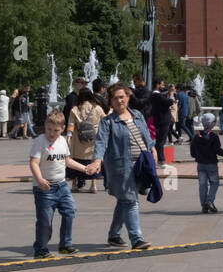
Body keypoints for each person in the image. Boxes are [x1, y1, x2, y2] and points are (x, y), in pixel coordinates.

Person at [87, 82, 157, 250]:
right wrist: (97, 161)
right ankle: (137, 239)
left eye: (122, 97)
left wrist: (152, 148)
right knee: (131, 201)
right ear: (110, 101)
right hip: (120, 168)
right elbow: (101, 142)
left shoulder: (137, 115)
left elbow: (145, 135)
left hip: (140, 165)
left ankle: (114, 235)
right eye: (115, 98)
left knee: (124, 200)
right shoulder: (107, 122)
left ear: (128, 97)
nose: (119, 101)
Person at [29, 110, 92, 258]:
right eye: (49, 129)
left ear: (62, 128)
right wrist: (39, 180)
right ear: (45, 126)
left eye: (56, 130)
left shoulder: (62, 141)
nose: (51, 133)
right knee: (45, 221)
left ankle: (65, 244)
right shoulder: (39, 142)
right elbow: (34, 163)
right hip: (44, 188)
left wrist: (84, 168)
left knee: (70, 211)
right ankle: (41, 249)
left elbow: (67, 161)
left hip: (62, 186)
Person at [67, 88, 105, 193]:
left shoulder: (75, 109)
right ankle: (93, 185)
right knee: (93, 159)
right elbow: (105, 120)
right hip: (94, 137)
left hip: (78, 138)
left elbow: (71, 124)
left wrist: (69, 137)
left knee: (76, 159)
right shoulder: (97, 108)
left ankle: (74, 184)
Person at [191, 112, 223, 213]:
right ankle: (209, 201)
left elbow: (192, 152)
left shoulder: (196, 136)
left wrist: (197, 156)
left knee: (202, 185)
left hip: (200, 164)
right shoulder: (214, 137)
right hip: (211, 164)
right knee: (215, 183)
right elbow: (217, 150)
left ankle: (204, 205)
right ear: (212, 124)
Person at [150, 80, 174, 152]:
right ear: (157, 85)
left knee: (159, 140)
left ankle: (159, 158)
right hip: (162, 120)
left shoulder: (154, 95)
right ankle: (161, 159)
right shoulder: (157, 95)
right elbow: (169, 102)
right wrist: (172, 95)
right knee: (161, 141)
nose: (163, 87)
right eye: (162, 85)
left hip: (159, 119)